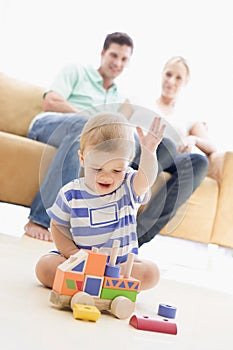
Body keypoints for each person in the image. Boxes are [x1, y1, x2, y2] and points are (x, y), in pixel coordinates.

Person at [24, 31, 175, 242]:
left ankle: (110, 220)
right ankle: (41, 219)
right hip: (50, 126)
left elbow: (117, 138)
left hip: (86, 138)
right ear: (103, 53)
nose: (118, 63)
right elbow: (51, 101)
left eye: (124, 59)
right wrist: (92, 122)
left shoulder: (121, 98)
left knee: (157, 146)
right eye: (114, 55)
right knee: (85, 128)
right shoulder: (76, 72)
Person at [35, 112, 165, 290]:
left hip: (119, 266)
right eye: (97, 168)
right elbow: (58, 226)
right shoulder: (71, 194)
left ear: (127, 165)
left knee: (152, 272)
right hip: (81, 262)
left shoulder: (128, 185)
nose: (106, 177)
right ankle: (92, 282)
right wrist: (73, 254)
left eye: (117, 170)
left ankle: (102, 282)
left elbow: (146, 180)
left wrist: (149, 153)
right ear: (82, 159)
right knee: (45, 266)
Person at [131, 56, 215, 246]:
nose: (171, 81)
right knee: (166, 144)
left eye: (178, 78)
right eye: (168, 74)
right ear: (162, 74)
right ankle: (117, 210)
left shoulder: (188, 115)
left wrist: (193, 139)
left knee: (199, 162)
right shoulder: (143, 102)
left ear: (185, 83)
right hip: (141, 154)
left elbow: (212, 146)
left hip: (170, 160)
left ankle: (136, 237)